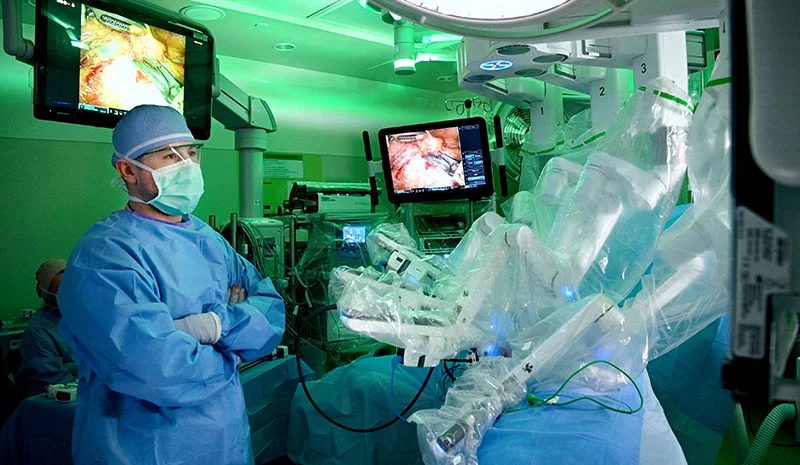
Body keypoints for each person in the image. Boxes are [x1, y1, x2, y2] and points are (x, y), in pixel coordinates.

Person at [58, 105, 285, 465]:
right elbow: (161, 371)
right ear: (128, 170)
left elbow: (271, 312)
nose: (188, 165)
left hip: (225, 442)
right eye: (170, 156)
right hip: (142, 449)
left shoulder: (209, 240)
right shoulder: (105, 254)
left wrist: (211, 326)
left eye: (192, 153)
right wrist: (236, 347)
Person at [15, 259, 77, 399]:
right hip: (52, 401)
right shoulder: (38, 331)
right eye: (60, 289)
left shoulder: (85, 318)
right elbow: (53, 381)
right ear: (46, 293)